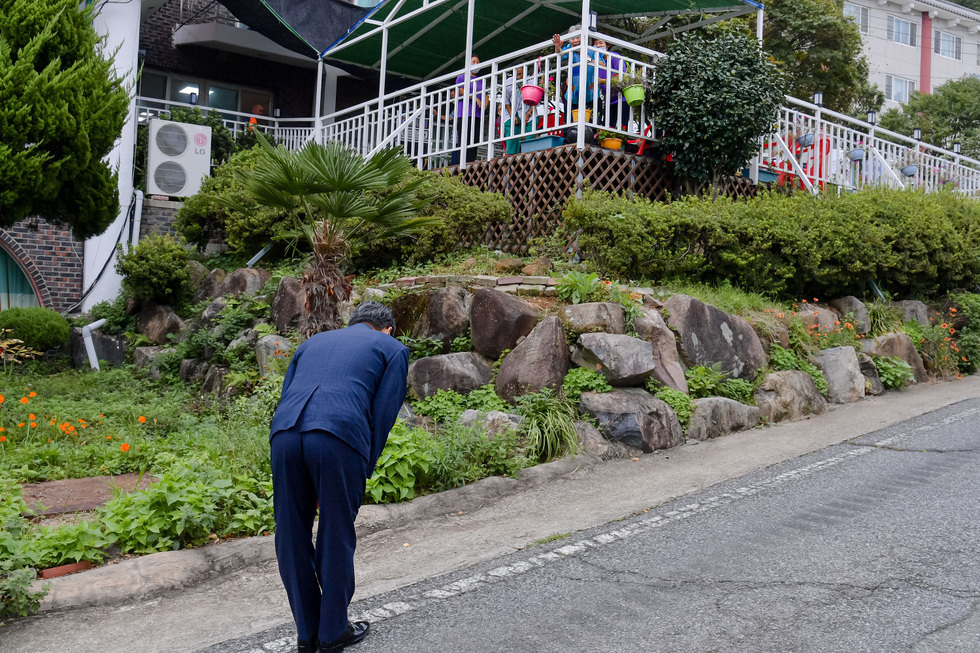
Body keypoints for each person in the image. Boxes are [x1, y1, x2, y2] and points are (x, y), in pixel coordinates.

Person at [270, 302, 409, 653]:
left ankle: (307, 634)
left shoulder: (311, 343)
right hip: (338, 438)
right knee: (335, 532)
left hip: (284, 435)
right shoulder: (392, 349)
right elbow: (383, 415)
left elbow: (288, 394)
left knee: (290, 532)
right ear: (387, 328)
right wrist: (363, 467)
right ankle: (332, 632)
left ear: (353, 323)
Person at [451, 55, 488, 165]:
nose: (476, 64)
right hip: (464, 113)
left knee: (475, 139)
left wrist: (485, 104)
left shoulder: (481, 80)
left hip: (477, 114)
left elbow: (486, 94)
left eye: (478, 62)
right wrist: (473, 97)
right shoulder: (462, 76)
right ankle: (461, 163)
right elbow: (461, 91)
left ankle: (470, 162)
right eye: (473, 61)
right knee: (464, 138)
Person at [501, 67, 531, 156]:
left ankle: (527, 158)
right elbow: (506, 100)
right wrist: (512, 115)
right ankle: (510, 161)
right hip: (511, 112)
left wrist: (528, 114)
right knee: (511, 136)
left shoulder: (530, 81)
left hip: (526, 111)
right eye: (516, 75)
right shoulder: (508, 82)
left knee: (529, 136)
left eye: (520, 74)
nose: (518, 77)